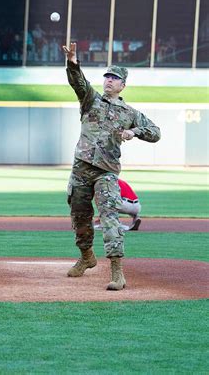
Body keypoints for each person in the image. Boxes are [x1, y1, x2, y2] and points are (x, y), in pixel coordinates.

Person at [62, 42, 161, 291]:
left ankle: (117, 272)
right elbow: (78, 82)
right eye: (107, 76)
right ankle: (86, 257)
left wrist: (134, 131)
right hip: (81, 169)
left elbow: (156, 132)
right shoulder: (90, 100)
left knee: (109, 217)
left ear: (122, 85)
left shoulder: (129, 112)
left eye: (114, 78)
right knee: (80, 217)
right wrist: (73, 61)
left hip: (106, 171)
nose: (108, 80)